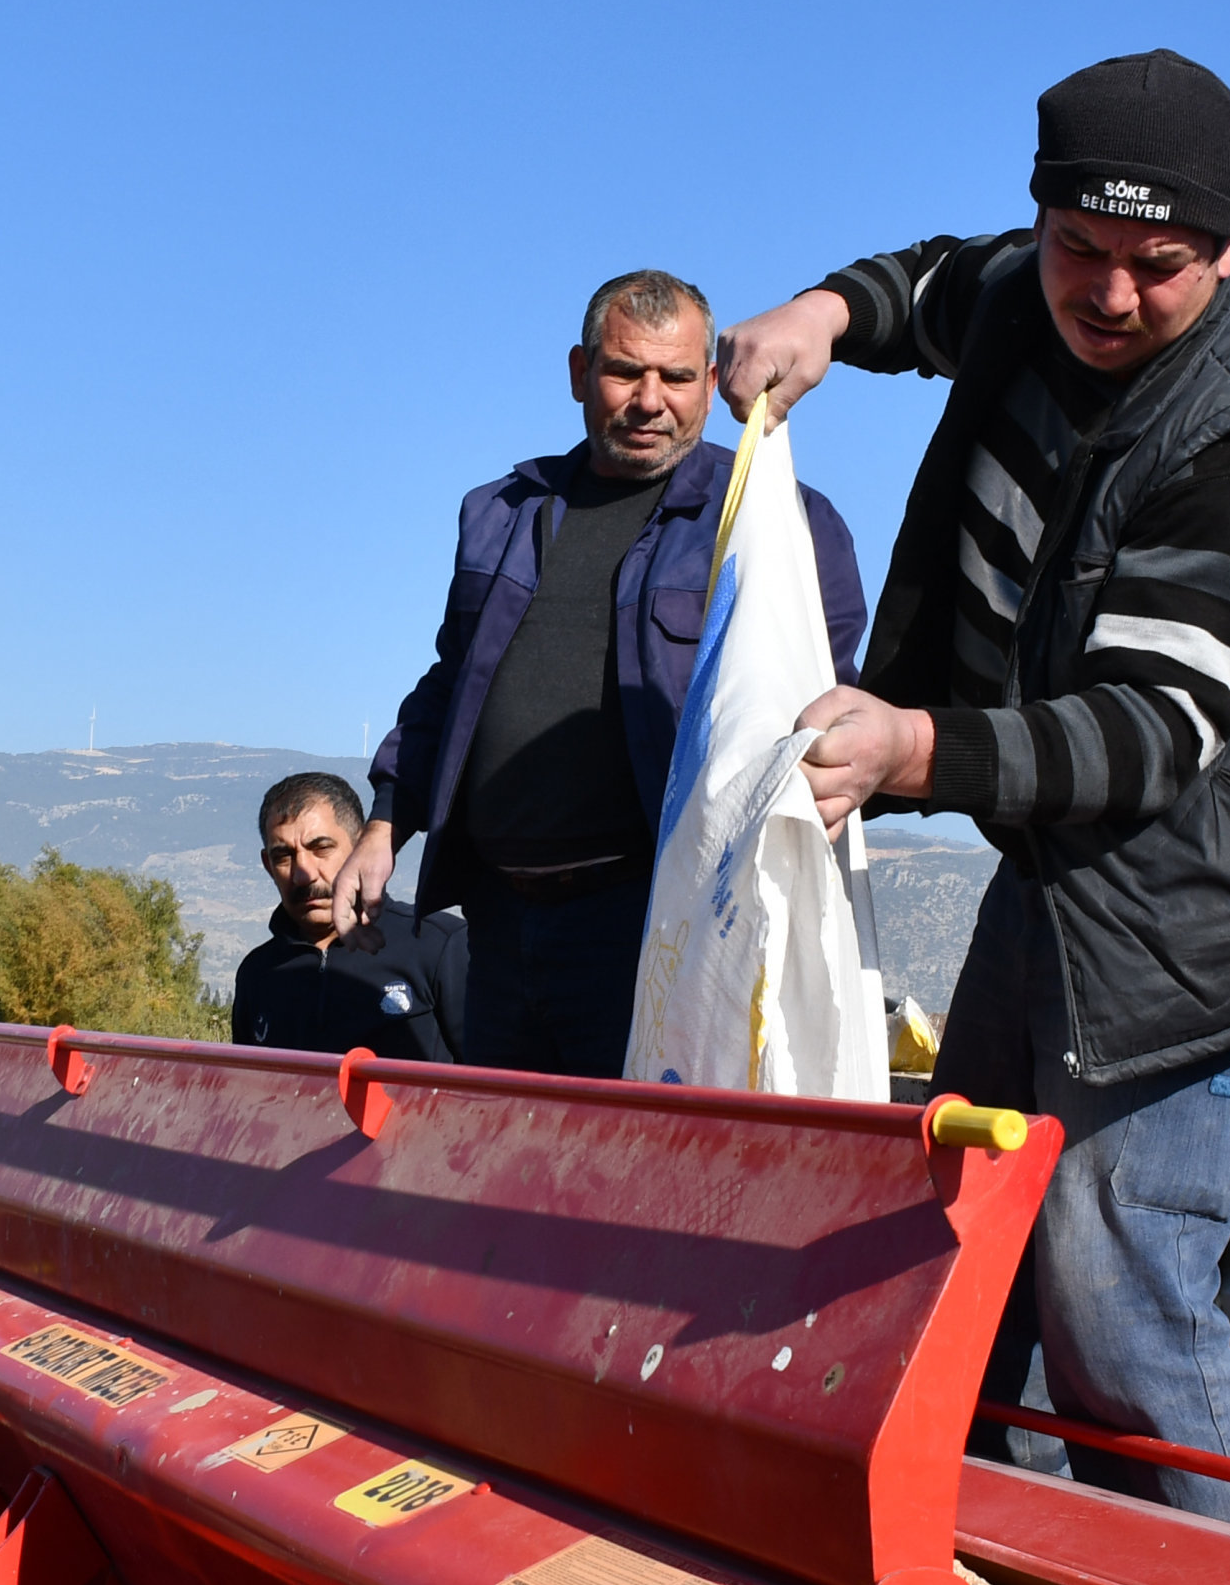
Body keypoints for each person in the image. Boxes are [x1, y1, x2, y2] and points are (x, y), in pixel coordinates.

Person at [712, 50, 1230, 1526]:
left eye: (1161, 267)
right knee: (962, 1245)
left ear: (1227, 250)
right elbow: (931, 287)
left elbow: (1148, 730)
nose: (1112, 296)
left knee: (1111, 1275)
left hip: (1205, 909)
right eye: (1082, 251)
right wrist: (822, 312)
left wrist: (916, 746)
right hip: (1058, 874)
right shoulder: (1038, 283)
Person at [334, 269, 864, 1076]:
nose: (650, 399)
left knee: (642, 1179)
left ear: (711, 382)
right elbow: (451, 682)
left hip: (658, 931)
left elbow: (824, 713)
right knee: (511, 1170)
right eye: (624, 372)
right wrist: (384, 821)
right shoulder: (501, 512)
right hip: (501, 926)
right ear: (581, 372)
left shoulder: (773, 518)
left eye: (677, 377)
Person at [235, 772, 466, 1061]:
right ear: (268, 865)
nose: (303, 874)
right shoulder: (258, 974)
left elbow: (493, 1082)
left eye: (321, 848)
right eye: (284, 856)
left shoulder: (438, 946)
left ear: (360, 849)